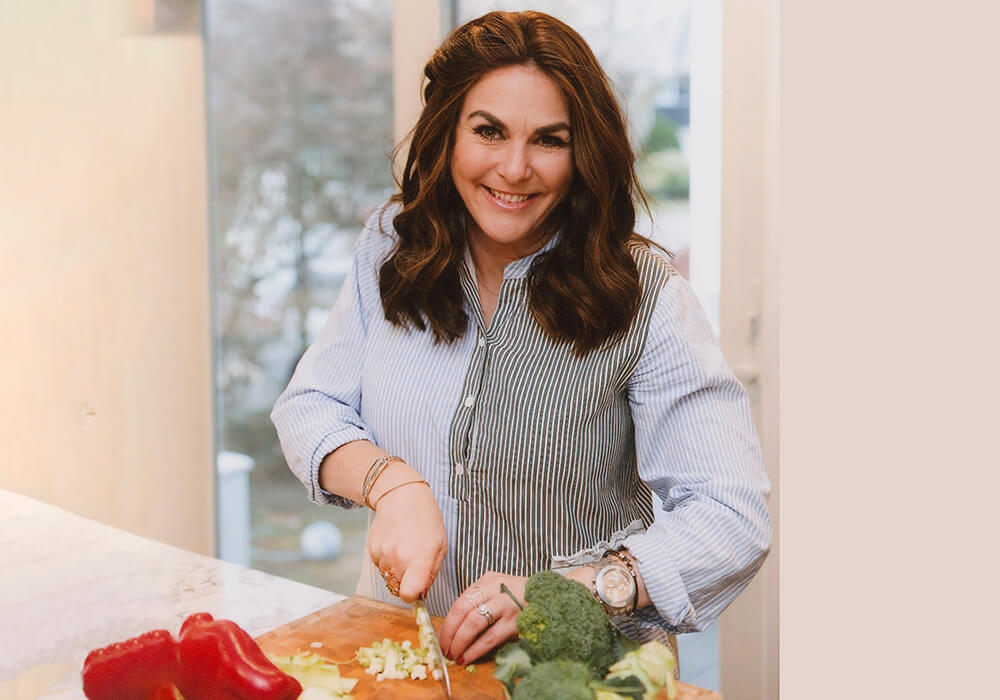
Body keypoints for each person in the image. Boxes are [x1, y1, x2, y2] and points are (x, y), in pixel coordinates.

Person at [271, 9, 770, 669]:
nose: (514, 167)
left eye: (548, 140)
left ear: (583, 152)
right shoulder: (392, 248)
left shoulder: (646, 293)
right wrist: (387, 483)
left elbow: (730, 515)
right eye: (489, 131)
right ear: (448, 133)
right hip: (410, 663)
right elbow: (310, 406)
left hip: (580, 675)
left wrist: (572, 593)